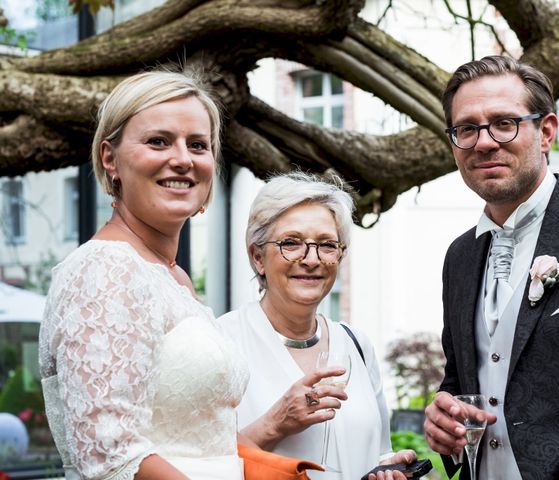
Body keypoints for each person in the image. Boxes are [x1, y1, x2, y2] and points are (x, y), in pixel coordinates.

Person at [424, 55, 559, 479]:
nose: (484, 142)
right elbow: (463, 379)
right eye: (466, 128)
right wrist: (444, 418)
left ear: (545, 132)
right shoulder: (459, 257)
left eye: (504, 123)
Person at [39, 70, 251, 479]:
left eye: (198, 145)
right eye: (158, 141)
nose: (183, 159)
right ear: (109, 158)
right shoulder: (104, 270)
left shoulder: (174, 278)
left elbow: (198, 442)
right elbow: (111, 455)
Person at [218, 172, 416, 480]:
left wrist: (389, 468)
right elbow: (196, 465)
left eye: (326, 245)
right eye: (291, 243)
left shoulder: (357, 345)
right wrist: (275, 423)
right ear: (257, 256)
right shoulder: (221, 343)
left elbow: (378, 450)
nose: (311, 259)